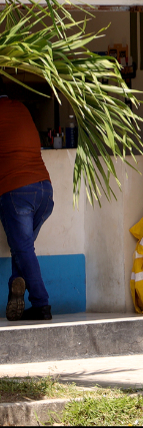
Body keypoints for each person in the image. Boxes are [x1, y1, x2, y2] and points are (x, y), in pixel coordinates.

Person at [0, 96, 54, 321]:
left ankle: (41, 304)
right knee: (20, 248)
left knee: (23, 249)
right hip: (44, 191)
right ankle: (16, 284)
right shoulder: (21, 106)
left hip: (17, 191)